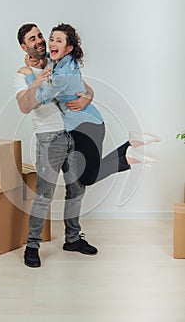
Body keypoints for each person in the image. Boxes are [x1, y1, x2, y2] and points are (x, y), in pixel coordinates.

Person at [23, 23, 160, 187]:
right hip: (86, 123)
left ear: (68, 48)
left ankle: (129, 154)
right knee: (87, 174)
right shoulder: (62, 61)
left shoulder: (62, 77)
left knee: (88, 177)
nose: (52, 43)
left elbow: (40, 99)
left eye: (59, 41)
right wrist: (39, 59)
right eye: (52, 39)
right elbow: (49, 59)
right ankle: (131, 145)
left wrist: (29, 75)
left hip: (86, 127)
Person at [15, 23, 98, 268]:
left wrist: (85, 100)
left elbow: (87, 90)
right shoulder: (22, 73)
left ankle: (72, 238)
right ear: (24, 46)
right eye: (33, 38)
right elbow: (24, 106)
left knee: (77, 189)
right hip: (49, 139)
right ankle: (32, 246)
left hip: (74, 134)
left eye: (41, 35)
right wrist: (34, 80)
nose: (40, 41)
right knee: (44, 195)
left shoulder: (57, 62)